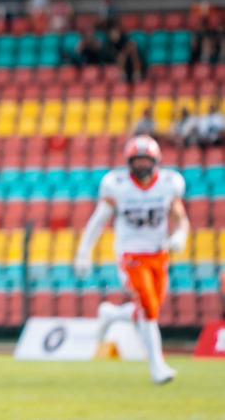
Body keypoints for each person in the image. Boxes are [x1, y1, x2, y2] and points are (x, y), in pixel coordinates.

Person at [73, 135, 188, 385]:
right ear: (129, 161)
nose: (142, 165)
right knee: (148, 307)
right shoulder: (118, 185)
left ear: (156, 160)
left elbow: (180, 217)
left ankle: (113, 315)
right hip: (131, 253)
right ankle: (157, 366)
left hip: (159, 253)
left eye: (147, 160)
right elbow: (98, 220)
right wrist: (84, 251)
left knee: (151, 308)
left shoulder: (169, 183)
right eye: (138, 160)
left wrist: (181, 234)